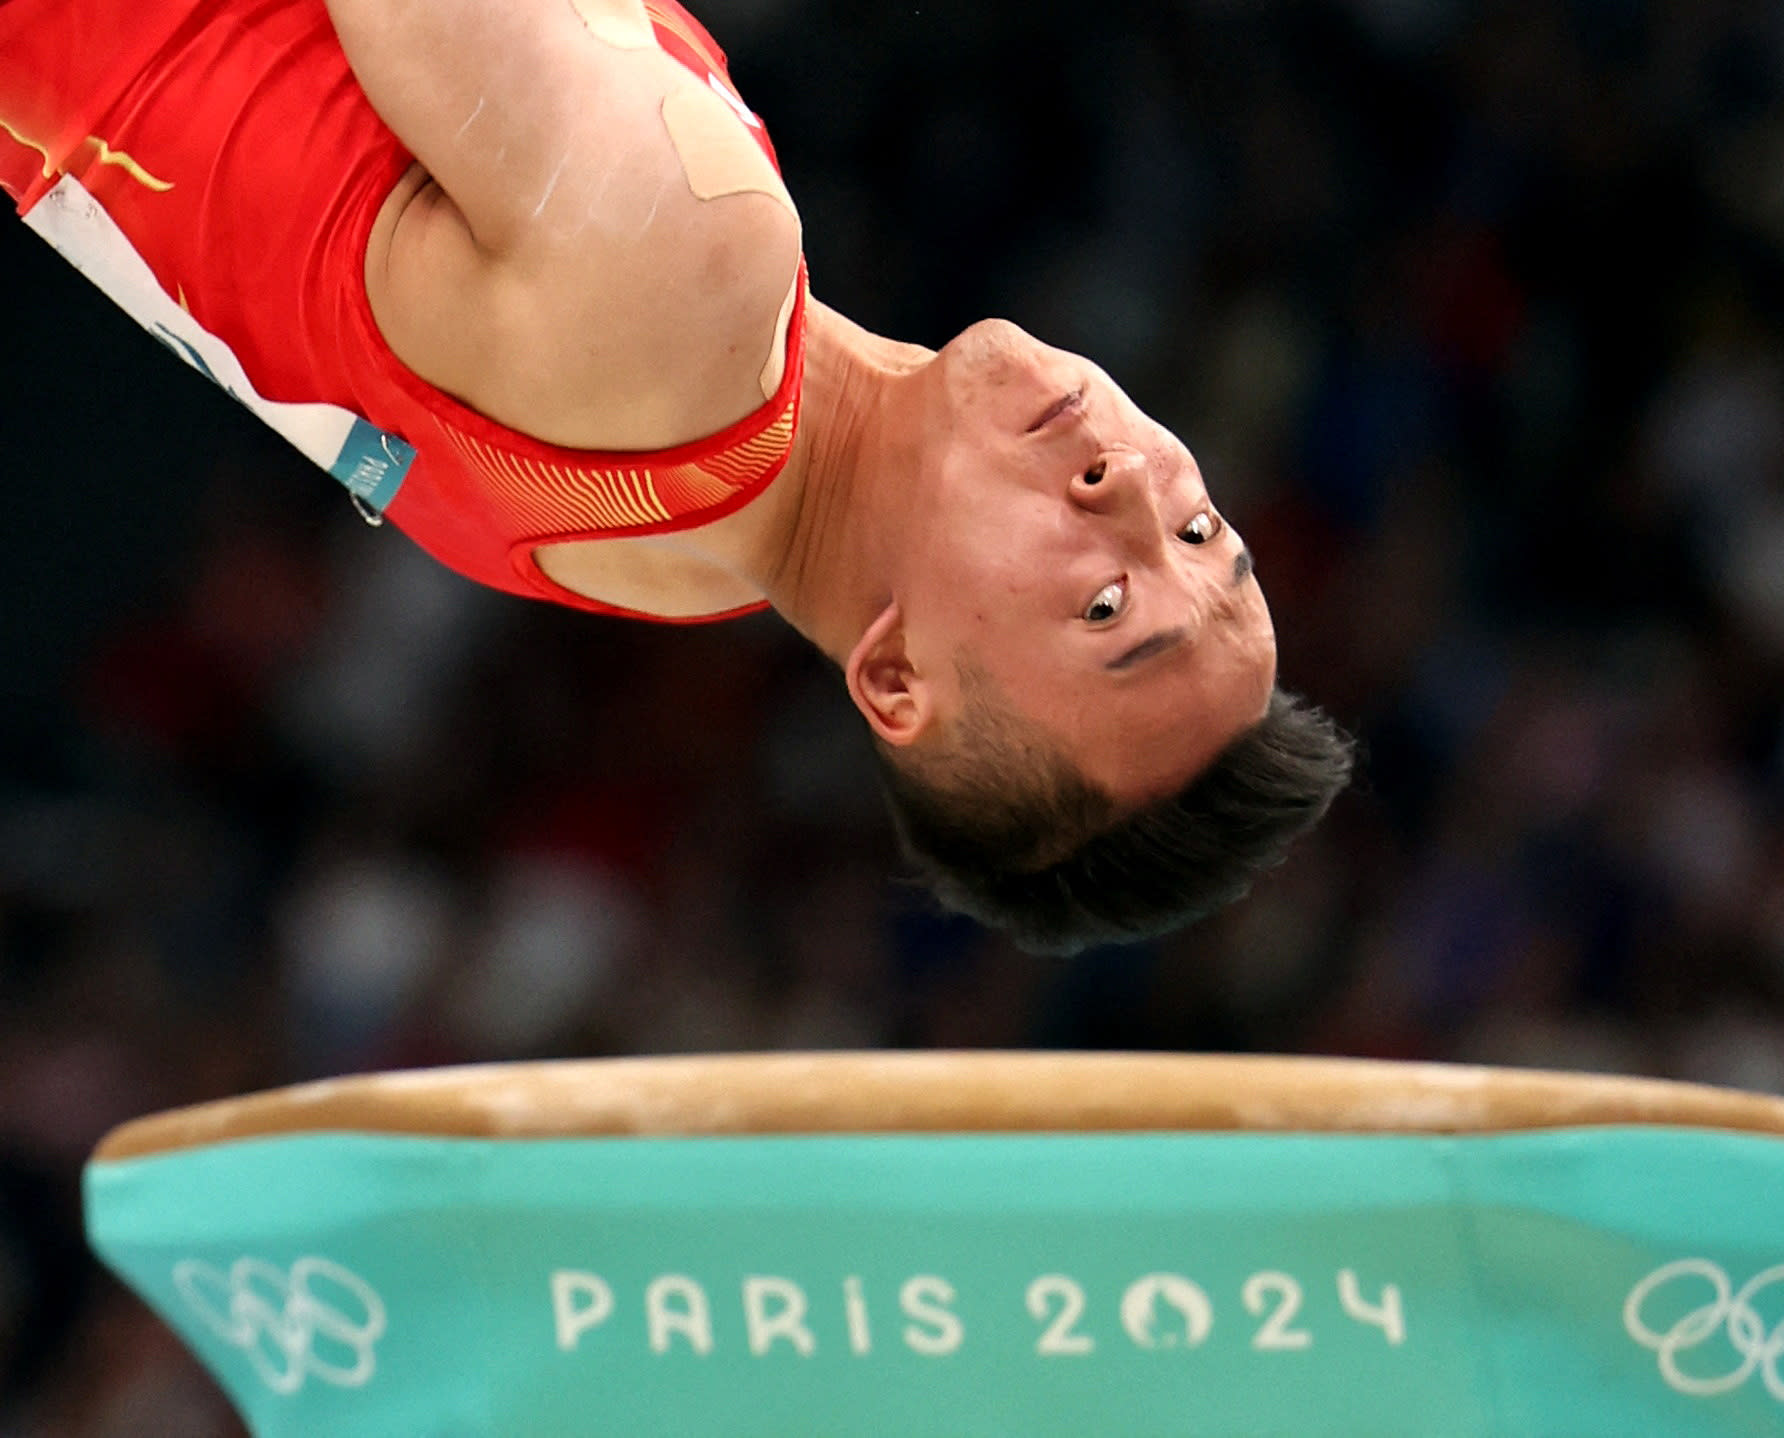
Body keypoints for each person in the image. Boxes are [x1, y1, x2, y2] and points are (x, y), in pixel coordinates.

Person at [1, 0, 1352, 953]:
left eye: (1107, 608)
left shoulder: (688, 280)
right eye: (1199, 527)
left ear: (892, 679)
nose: (1129, 488)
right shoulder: (674, 560)